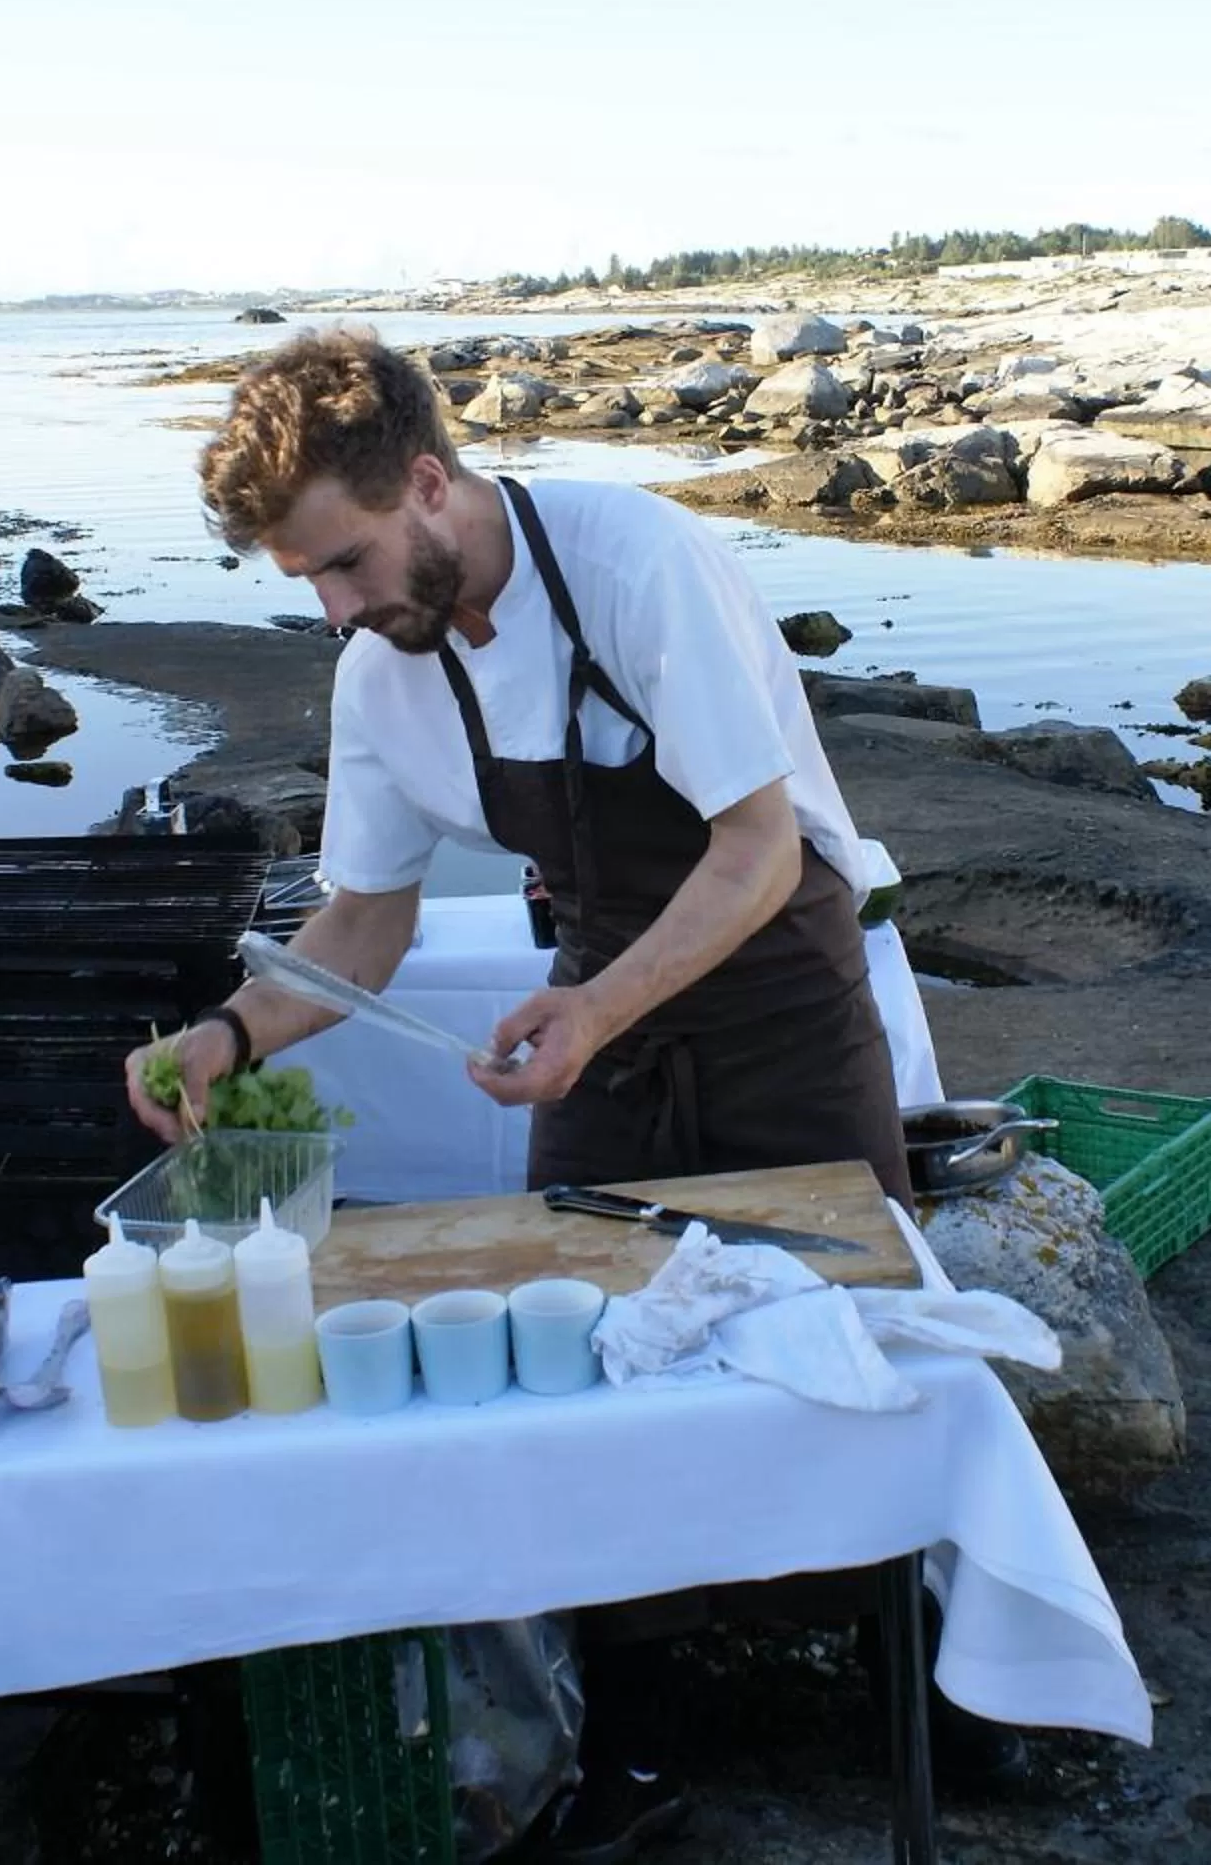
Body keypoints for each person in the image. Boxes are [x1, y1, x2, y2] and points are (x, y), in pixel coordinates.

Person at [123, 329, 963, 1861]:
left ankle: (911, 1659)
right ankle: (637, 1741)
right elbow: (365, 919)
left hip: (774, 985)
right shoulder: (381, 669)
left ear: (430, 484)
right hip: (602, 1008)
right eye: (307, 580)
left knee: (849, 1322)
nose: (338, 609)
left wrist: (595, 1005)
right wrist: (230, 1038)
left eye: (350, 562)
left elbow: (757, 852)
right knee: (581, 1353)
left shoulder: (637, 559)